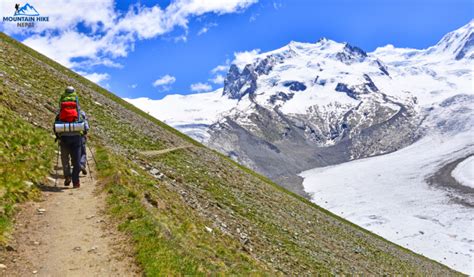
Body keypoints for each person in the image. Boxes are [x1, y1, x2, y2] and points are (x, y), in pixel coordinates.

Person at [55, 86, 86, 188]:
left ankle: (67, 176)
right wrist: (83, 133)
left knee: (64, 159)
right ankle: (76, 181)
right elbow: (85, 125)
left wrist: (58, 136)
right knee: (76, 161)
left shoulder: (61, 111)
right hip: (76, 137)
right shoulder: (79, 112)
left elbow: (55, 125)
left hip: (64, 137)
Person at [79, 110, 90, 175]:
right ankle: (82, 164)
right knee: (83, 152)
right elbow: (86, 127)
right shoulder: (81, 112)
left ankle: (74, 163)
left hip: (66, 136)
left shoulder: (63, 111)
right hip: (81, 136)